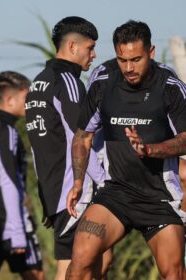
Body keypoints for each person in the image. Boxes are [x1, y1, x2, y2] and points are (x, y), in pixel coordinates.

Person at [67, 20, 186, 280]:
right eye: (122, 60)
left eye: (136, 59)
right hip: (116, 193)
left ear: (151, 52)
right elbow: (82, 136)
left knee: (173, 273)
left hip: (159, 197)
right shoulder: (103, 80)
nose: (129, 68)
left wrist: (151, 149)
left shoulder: (169, 86)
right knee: (80, 261)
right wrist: (77, 182)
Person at [25, 16, 107, 280]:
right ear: (72, 47)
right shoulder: (68, 81)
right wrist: (105, 180)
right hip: (74, 190)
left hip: (53, 187)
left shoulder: (40, 80)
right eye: (90, 48)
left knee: (96, 258)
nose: (94, 55)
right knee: (79, 264)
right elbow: (80, 138)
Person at [0, 71, 44, 280]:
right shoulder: (6, 133)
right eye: (26, 98)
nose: (29, 103)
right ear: (10, 99)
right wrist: (17, 232)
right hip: (9, 223)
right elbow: (9, 181)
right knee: (36, 275)